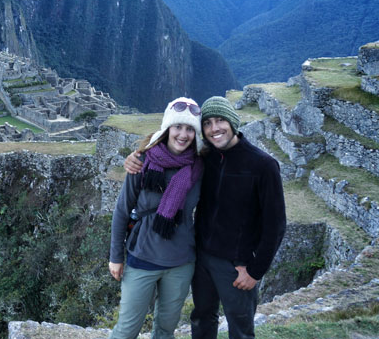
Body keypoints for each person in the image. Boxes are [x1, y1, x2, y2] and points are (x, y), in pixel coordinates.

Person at [124, 96, 286, 339]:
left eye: (220, 121)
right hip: (201, 258)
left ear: (233, 122)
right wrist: (133, 158)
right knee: (201, 319)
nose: (214, 129)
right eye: (208, 123)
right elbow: (167, 150)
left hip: (236, 264)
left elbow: (276, 224)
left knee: (240, 328)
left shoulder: (262, 165)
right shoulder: (205, 159)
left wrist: (255, 271)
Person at [109, 97, 204, 339]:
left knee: (165, 330)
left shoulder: (200, 167)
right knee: (126, 330)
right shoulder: (142, 161)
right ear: (167, 129)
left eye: (190, 129)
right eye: (178, 127)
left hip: (181, 262)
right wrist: (115, 257)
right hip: (142, 257)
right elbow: (122, 210)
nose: (183, 135)